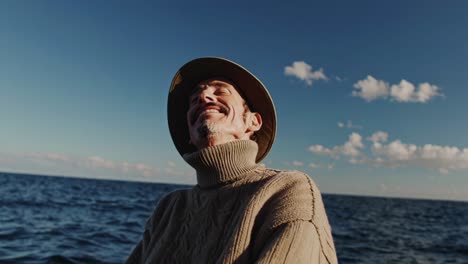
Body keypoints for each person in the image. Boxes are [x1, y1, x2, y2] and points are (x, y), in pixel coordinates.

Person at [126, 57, 337, 263]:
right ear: (189, 135)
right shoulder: (169, 208)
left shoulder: (287, 190)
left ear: (252, 121)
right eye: (194, 99)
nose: (204, 96)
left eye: (220, 91)